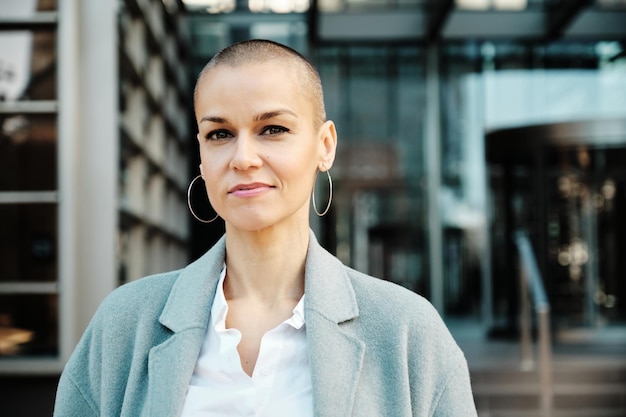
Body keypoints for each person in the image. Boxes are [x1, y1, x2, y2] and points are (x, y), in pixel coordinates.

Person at [54, 39, 477, 417]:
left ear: (324, 145)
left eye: (272, 129)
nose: (243, 158)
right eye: (219, 134)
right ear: (201, 156)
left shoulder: (406, 332)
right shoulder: (124, 325)